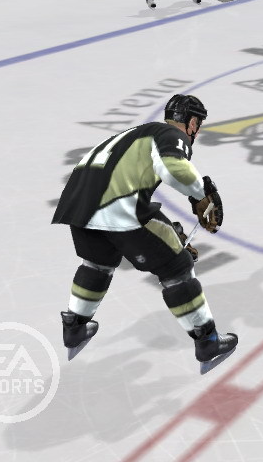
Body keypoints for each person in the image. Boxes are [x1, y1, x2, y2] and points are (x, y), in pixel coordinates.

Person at [50, 94, 238, 374]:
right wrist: (201, 193)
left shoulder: (134, 133)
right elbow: (172, 168)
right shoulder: (171, 135)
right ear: (192, 123)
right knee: (178, 268)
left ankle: (75, 327)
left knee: (97, 265)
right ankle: (208, 342)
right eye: (198, 125)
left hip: (78, 206)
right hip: (117, 206)